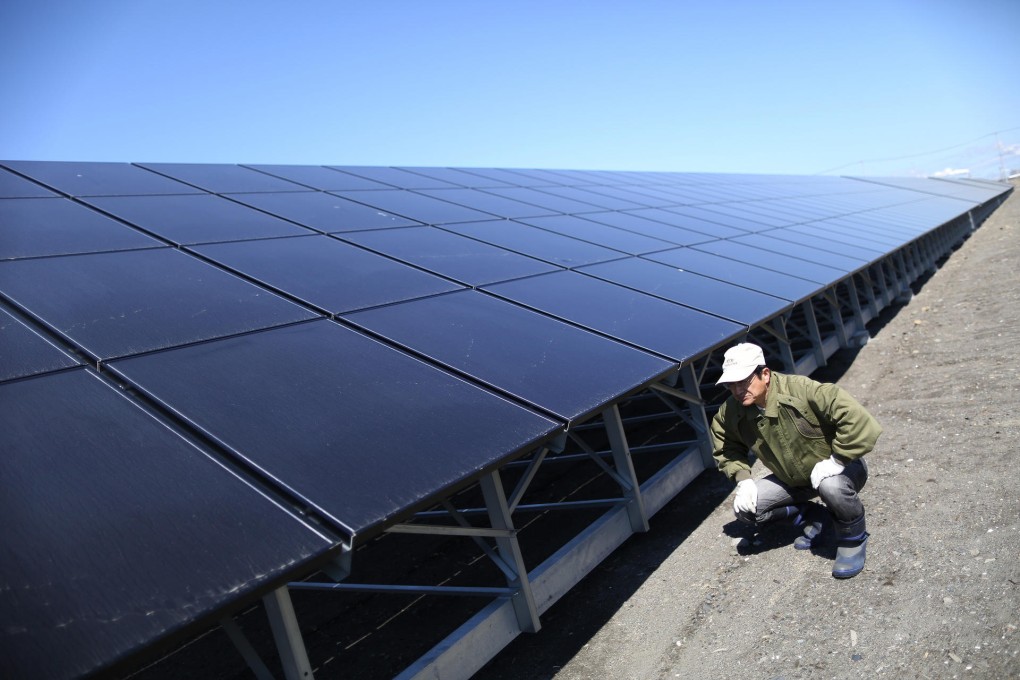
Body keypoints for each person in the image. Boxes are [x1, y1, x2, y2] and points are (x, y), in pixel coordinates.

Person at [710, 342, 882, 578]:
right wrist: (743, 479)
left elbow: (857, 419)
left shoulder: (802, 390)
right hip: (792, 479)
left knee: (831, 487)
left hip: (841, 469)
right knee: (747, 509)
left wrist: (837, 460)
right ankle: (813, 516)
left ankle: (852, 539)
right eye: (731, 385)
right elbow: (726, 447)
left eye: (744, 381)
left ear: (765, 374)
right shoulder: (731, 411)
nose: (738, 390)